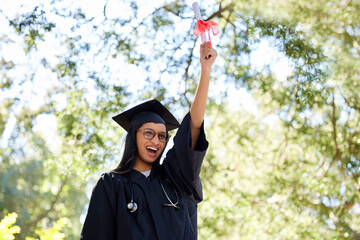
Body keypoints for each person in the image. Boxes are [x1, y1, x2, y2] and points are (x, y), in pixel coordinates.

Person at [80, 42, 217, 240]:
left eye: (162, 136)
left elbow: (193, 128)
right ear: (134, 135)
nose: (156, 140)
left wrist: (205, 70)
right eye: (148, 133)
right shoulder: (112, 185)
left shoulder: (175, 179)